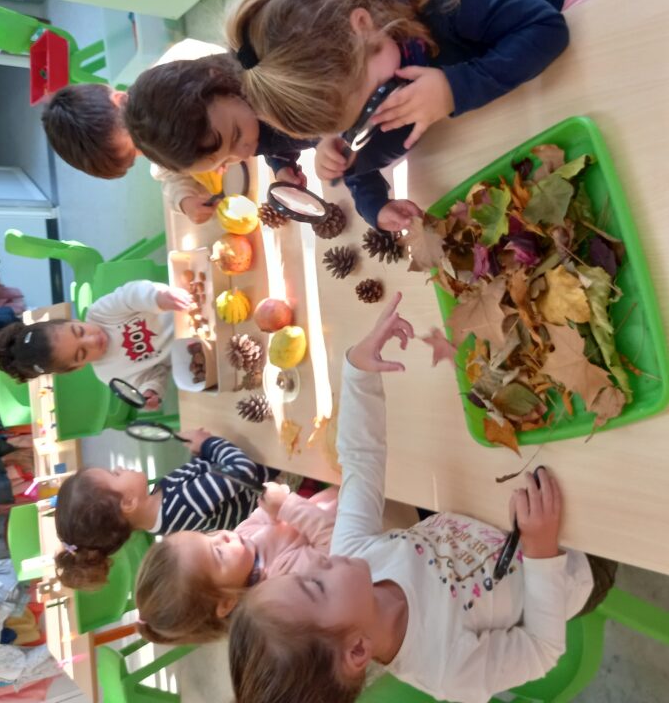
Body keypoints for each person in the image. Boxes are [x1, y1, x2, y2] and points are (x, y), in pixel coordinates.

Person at [227, 0, 669, 244]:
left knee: (626, 133)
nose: (368, 112)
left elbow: (547, 32)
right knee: (560, 152)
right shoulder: (366, 64)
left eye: (361, 103)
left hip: (559, 11)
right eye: (349, 120)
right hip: (494, 61)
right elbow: (373, 144)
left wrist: (454, 90)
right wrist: (366, 192)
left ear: (362, 24)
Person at [228, 295, 609, 703]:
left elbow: (361, 463)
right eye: (316, 585)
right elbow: (540, 649)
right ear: (356, 651)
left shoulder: (351, 554)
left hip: (517, 505)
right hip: (576, 566)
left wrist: (358, 371)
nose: (317, 559)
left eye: (298, 575)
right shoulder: (446, 670)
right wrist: (540, 551)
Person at [41, 40, 314, 225]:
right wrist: (281, 164)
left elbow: (273, 112)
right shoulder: (167, 141)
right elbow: (169, 175)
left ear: (121, 100)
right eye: (138, 155)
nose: (151, 149)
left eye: (137, 145)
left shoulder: (193, 74)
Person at [54, 428, 273, 590]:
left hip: (255, 456)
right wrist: (207, 444)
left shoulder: (159, 503)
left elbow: (205, 476)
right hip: (271, 475)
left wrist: (199, 453)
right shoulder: (181, 506)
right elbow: (242, 470)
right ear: (128, 503)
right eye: (115, 474)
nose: (120, 467)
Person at [133, 482, 339, 644]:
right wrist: (286, 507)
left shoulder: (242, 540)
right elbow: (338, 543)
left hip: (341, 492)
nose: (223, 536)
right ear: (226, 602)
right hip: (355, 518)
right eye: (218, 553)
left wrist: (271, 500)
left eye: (208, 536)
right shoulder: (278, 585)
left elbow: (265, 516)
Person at [0, 280, 190, 410]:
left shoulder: (101, 313)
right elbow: (154, 375)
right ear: (77, 367)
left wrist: (157, 297)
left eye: (79, 331)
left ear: (72, 320)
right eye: (82, 353)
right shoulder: (109, 373)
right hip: (194, 349)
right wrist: (150, 391)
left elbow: (131, 295)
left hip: (187, 308)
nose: (92, 340)